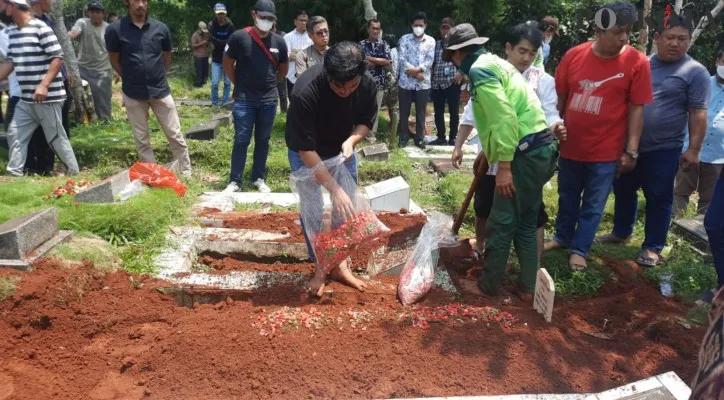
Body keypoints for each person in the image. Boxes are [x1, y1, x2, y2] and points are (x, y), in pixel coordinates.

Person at [444, 23, 559, 300]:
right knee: (526, 221)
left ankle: (488, 285)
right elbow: (506, 113)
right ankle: (529, 287)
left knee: (502, 220)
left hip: (525, 153)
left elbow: (505, 117)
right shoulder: (495, 63)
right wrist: (490, 151)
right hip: (541, 148)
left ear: (458, 54)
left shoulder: (480, 70)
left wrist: (504, 167)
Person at [544, 2, 653, 271]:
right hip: (571, 146)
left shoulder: (636, 62)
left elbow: (637, 109)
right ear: (599, 30)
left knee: (594, 203)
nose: (624, 38)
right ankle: (562, 236)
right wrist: (554, 127)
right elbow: (559, 98)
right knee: (567, 195)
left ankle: (580, 249)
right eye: (618, 32)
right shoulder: (574, 56)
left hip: (606, 152)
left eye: (627, 32)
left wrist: (632, 150)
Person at [597, 18, 710, 267]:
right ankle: (621, 232)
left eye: (682, 39)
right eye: (670, 37)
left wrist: (694, 149)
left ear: (689, 41)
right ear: (657, 37)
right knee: (624, 189)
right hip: (630, 145)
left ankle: (652, 247)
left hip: (664, 148)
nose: (675, 44)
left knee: (659, 196)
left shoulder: (695, 72)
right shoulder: (641, 64)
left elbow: (698, 113)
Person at [285, 42, 378, 297]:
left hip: (341, 150)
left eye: (352, 86)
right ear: (328, 74)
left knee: (345, 212)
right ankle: (320, 267)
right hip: (309, 152)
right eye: (339, 86)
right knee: (313, 210)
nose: (345, 91)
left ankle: (340, 265)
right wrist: (335, 189)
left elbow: (364, 122)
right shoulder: (305, 92)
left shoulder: (367, 85)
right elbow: (305, 151)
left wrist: (351, 141)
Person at [105, 0, 192, 176]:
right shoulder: (115, 30)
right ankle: (153, 175)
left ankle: (185, 171)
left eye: (144, 0)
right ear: (127, 2)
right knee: (142, 138)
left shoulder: (160, 28)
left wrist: (161, 73)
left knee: (174, 133)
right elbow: (114, 58)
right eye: (136, 0)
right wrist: (127, 76)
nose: (140, 4)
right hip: (133, 92)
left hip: (160, 90)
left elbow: (167, 55)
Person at [0, 0, 79, 177]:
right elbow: (10, 63)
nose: (1, 10)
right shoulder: (12, 33)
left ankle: (74, 173)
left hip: (48, 97)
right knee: (15, 133)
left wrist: (43, 85)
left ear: (12, 6)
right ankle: (14, 175)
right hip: (26, 98)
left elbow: (57, 58)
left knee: (55, 138)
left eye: (2, 5)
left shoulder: (41, 28)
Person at [222, 0, 288, 194]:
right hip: (244, 98)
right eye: (263, 17)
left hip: (268, 98)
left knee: (263, 140)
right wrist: (240, 84)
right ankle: (235, 180)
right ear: (254, 15)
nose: (266, 21)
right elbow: (227, 64)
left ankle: (258, 177)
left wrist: (268, 83)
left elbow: (282, 70)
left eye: (270, 19)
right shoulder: (239, 37)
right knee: (241, 139)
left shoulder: (279, 42)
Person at [674, 48, 724, 215]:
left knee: (709, 199)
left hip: (718, 156)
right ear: (717, 61)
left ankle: (699, 234)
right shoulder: (701, 84)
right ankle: (674, 226)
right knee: (680, 192)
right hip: (690, 148)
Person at [26, 0, 72, 175]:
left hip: (58, 80)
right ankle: (42, 168)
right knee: (43, 126)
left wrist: (65, 70)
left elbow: (57, 52)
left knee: (60, 125)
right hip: (42, 83)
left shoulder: (49, 20)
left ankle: (53, 166)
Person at [68, 0, 113, 122]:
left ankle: (105, 124)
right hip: (82, 68)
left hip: (102, 69)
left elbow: (114, 50)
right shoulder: (82, 22)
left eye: (98, 12)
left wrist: (117, 70)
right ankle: (78, 121)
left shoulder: (109, 29)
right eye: (92, 12)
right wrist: (66, 36)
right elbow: (74, 33)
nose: (95, 15)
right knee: (73, 94)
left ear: (103, 13)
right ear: (88, 12)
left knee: (103, 101)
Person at [397, 11, 435, 149]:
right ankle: (403, 137)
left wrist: (418, 71)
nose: (418, 27)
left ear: (425, 25)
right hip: (406, 83)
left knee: (421, 113)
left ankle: (419, 138)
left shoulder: (431, 41)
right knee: (404, 111)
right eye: (415, 25)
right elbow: (402, 59)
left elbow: (429, 60)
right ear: (411, 25)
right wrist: (415, 73)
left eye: (421, 25)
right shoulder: (404, 39)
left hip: (423, 83)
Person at [430, 17, 463, 146]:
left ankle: (453, 137)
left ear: (452, 30)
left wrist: (461, 73)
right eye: (443, 28)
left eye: (447, 28)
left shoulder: (457, 45)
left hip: (452, 82)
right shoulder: (436, 44)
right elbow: (432, 62)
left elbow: (466, 61)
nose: (445, 30)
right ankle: (441, 137)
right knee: (438, 112)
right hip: (437, 83)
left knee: (454, 112)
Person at [359, 18, 391, 143]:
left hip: (379, 82)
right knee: (361, 107)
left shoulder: (384, 44)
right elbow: (361, 61)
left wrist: (370, 59)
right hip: (363, 82)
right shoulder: (361, 44)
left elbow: (387, 61)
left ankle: (372, 133)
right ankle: (359, 132)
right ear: (368, 29)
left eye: (378, 28)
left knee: (375, 109)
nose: (375, 31)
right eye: (373, 28)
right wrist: (379, 61)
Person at [208, 3, 234, 106]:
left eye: (222, 13)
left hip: (228, 58)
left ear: (225, 13)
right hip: (216, 59)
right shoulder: (211, 25)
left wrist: (219, 43)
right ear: (215, 14)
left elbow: (231, 41)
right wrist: (223, 43)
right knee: (215, 83)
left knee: (227, 83)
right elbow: (211, 39)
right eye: (218, 13)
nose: (220, 15)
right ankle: (214, 103)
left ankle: (225, 102)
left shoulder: (230, 25)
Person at [283, 10, 311, 97]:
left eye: (306, 20)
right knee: (294, 103)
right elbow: (286, 56)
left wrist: (295, 52)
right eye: (301, 20)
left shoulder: (312, 36)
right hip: (292, 77)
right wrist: (304, 55)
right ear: (295, 21)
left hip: (309, 77)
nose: (304, 23)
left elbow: (314, 55)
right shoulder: (287, 37)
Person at [271, 21, 288, 112]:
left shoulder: (282, 36)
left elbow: (286, 54)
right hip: (268, 70)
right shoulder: (263, 36)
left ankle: (284, 113)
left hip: (280, 69)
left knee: (282, 94)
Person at [191, 21, 211, 88]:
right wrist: (202, 43)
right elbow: (193, 46)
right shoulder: (195, 35)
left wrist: (208, 43)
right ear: (199, 28)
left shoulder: (205, 34)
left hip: (205, 55)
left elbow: (208, 44)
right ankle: (199, 84)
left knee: (205, 70)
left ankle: (205, 83)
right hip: (198, 56)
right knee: (199, 71)